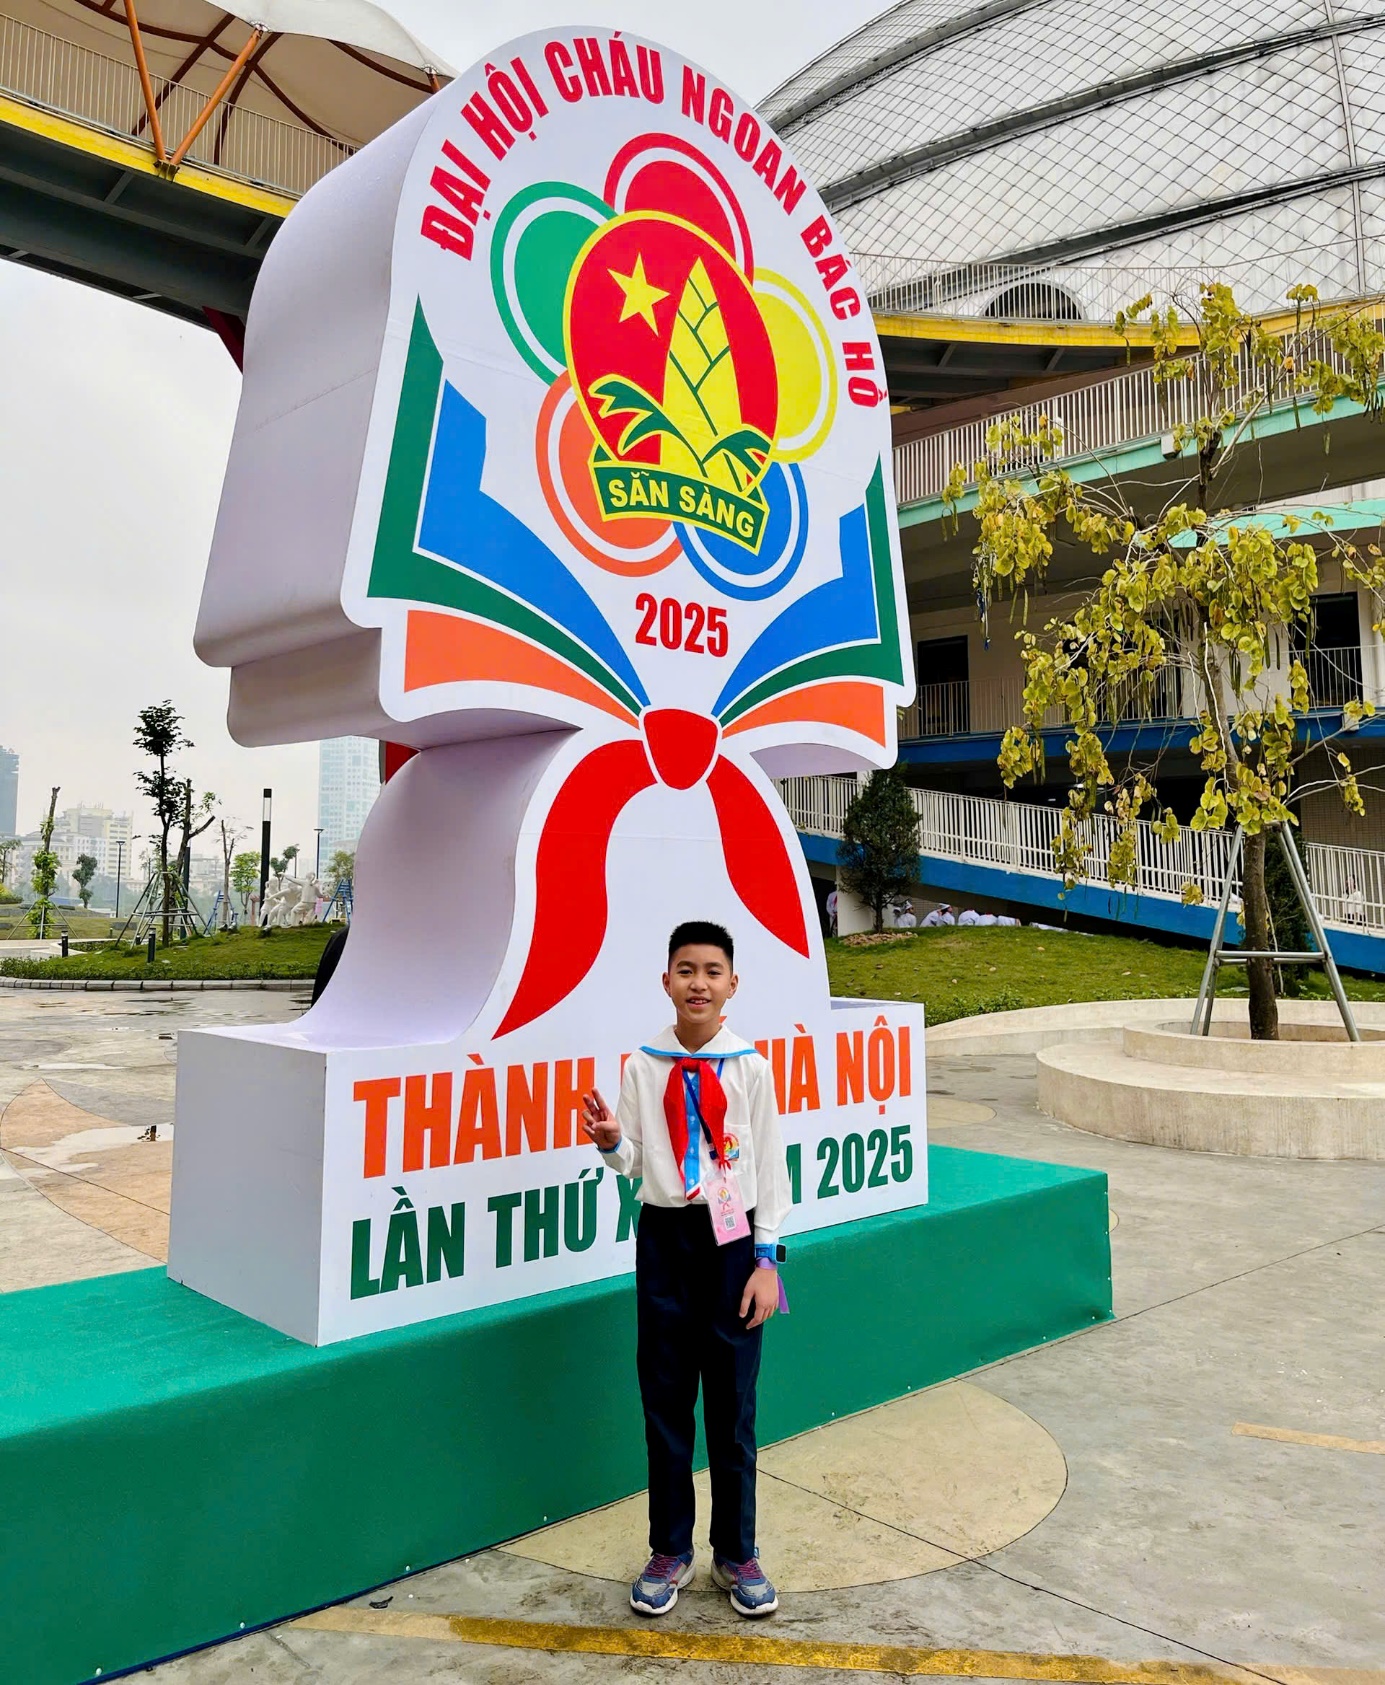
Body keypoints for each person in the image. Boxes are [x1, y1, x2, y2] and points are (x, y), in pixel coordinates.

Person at [582, 920, 789, 1621]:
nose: (697, 981)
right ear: (665, 980)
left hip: (732, 1243)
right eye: (684, 969)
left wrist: (766, 1259)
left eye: (711, 969)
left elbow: (769, 1166)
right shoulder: (643, 1065)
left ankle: (736, 1550)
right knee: (666, 1401)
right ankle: (669, 1548)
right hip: (665, 1240)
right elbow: (636, 1159)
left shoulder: (750, 1068)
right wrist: (613, 1142)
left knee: (732, 1407)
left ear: (732, 983)